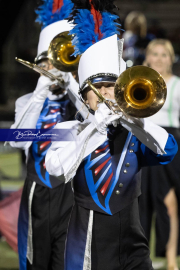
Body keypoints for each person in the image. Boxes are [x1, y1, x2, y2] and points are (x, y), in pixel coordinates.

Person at [45, 2, 178, 269]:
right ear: (84, 96)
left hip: (134, 245)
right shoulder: (71, 130)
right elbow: (55, 169)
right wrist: (95, 126)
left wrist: (134, 120)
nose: (106, 93)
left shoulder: (132, 134)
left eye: (112, 86)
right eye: (100, 87)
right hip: (87, 244)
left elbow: (168, 150)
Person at [9, 0, 79, 269]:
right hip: (37, 191)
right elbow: (17, 139)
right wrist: (40, 93)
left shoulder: (77, 102)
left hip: (71, 192)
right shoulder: (26, 101)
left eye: (58, 62)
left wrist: (71, 82)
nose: (53, 69)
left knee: (66, 261)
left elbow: (89, 120)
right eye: (48, 63)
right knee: (35, 260)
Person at [139, 39, 180, 270]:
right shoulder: (139, 83)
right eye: (155, 54)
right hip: (143, 144)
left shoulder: (177, 85)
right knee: (140, 204)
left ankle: (171, 260)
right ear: (148, 57)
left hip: (170, 146)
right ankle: (141, 260)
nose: (159, 59)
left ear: (171, 58)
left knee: (170, 205)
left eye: (164, 54)